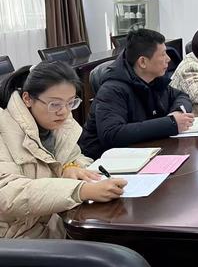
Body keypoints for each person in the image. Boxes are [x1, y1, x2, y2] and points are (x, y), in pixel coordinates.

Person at [0, 62, 127, 239]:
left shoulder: (59, 125)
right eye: (55, 104)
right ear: (27, 99)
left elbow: (76, 156)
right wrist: (79, 190)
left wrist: (70, 167)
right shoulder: (4, 129)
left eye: (70, 103)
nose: (64, 112)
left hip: (55, 224)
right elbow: (8, 194)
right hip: (16, 239)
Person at [79, 29, 194, 160]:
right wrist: (170, 124)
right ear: (142, 62)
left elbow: (181, 96)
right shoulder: (112, 89)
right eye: (163, 55)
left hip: (141, 152)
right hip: (106, 162)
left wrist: (177, 112)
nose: (168, 59)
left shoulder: (153, 79)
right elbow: (112, 134)